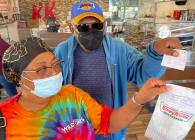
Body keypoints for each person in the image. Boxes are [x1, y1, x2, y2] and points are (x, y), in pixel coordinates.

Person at [54, 0, 181, 139]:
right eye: (83, 27)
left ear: (104, 25)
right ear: (72, 28)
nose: (91, 31)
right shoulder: (62, 52)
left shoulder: (119, 49)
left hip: (111, 126)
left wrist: (155, 53)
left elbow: (143, 75)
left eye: (97, 25)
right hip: (74, 129)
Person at [0, 37, 170, 139]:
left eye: (56, 64)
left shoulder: (72, 95)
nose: (53, 73)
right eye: (41, 69)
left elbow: (109, 123)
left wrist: (139, 99)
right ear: (18, 78)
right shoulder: (5, 121)